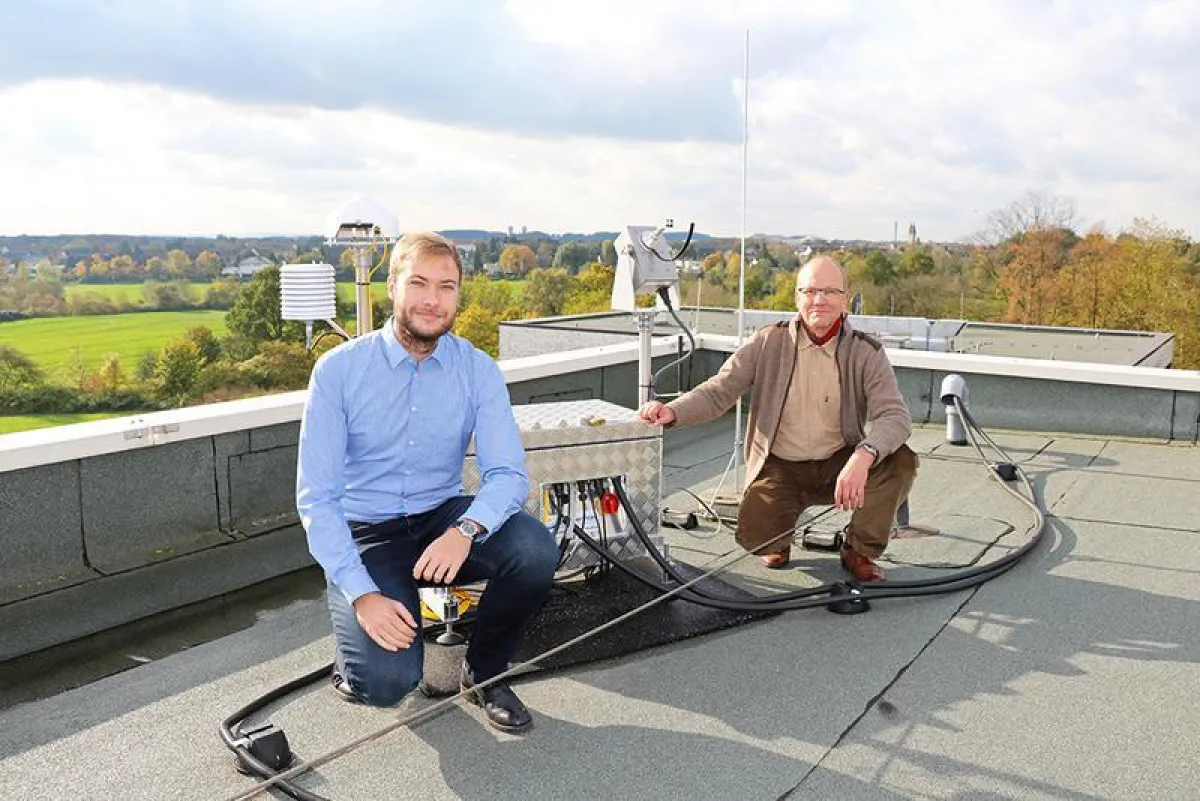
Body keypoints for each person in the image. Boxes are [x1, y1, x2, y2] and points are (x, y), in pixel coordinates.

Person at [296, 231, 559, 733]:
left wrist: (466, 531)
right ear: (392, 286)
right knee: (386, 682)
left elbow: (507, 474)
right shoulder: (338, 372)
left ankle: (484, 674)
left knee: (534, 549)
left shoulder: (478, 370)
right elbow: (317, 500)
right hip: (367, 531)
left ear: (458, 295)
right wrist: (363, 596)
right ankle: (357, 645)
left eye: (446, 286)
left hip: (441, 518)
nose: (432, 300)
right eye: (418, 283)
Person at [639, 256, 917, 582]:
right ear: (797, 298)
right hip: (781, 466)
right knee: (757, 537)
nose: (819, 299)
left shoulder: (866, 351)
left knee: (900, 461)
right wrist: (673, 411)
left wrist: (863, 455)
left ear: (845, 300)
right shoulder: (767, 342)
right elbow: (719, 391)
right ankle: (778, 539)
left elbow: (895, 416)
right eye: (810, 291)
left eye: (830, 291)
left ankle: (859, 549)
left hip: (839, 463)